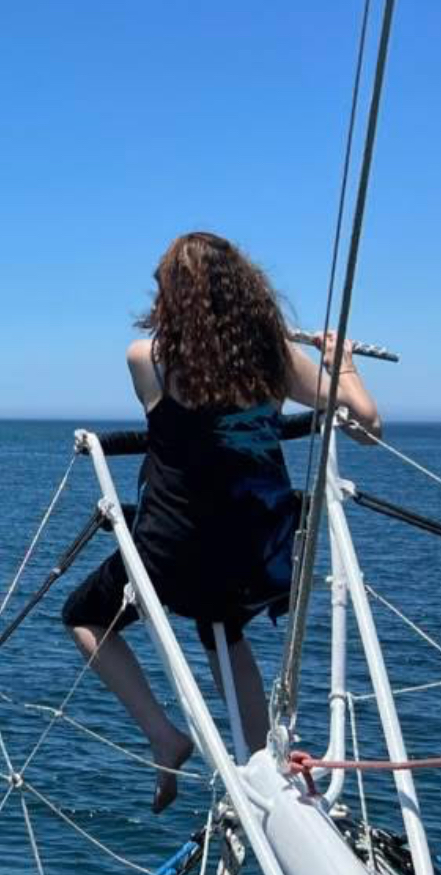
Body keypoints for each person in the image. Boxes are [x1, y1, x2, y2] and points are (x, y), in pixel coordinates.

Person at [62, 231, 381, 813]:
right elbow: (366, 421)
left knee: (84, 616)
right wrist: (343, 364)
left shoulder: (149, 360)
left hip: (174, 558)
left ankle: (164, 735)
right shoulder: (277, 360)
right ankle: (265, 762)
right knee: (222, 626)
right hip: (260, 556)